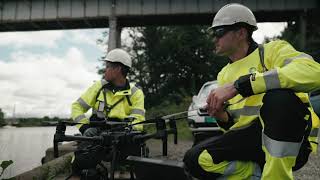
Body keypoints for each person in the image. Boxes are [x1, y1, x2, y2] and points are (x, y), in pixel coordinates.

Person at [183, 3, 320, 180]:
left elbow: (314, 72)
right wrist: (221, 116)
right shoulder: (224, 74)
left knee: (279, 97)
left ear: (241, 33)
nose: (214, 39)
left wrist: (240, 86)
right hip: (252, 139)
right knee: (194, 159)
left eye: (219, 32)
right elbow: (235, 125)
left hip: (294, 139)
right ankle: (256, 173)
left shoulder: (273, 51)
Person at [69, 48, 145, 179]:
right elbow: (76, 107)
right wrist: (85, 128)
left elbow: (138, 122)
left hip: (122, 138)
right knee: (79, 164)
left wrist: (125, 131)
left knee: (135, 163)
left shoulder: (136, 93)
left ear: (118, 69)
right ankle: (96, 170)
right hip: (97, 137)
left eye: (108, 66)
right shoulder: (98, 87)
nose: (105, 70)